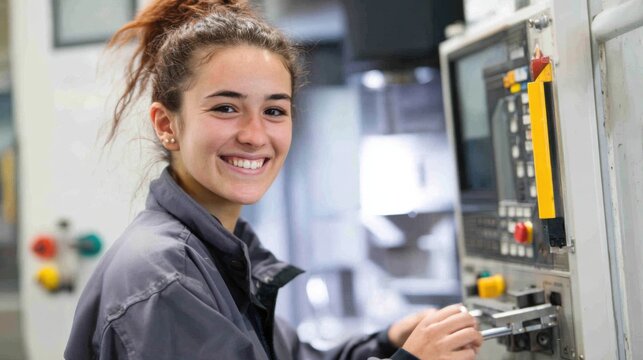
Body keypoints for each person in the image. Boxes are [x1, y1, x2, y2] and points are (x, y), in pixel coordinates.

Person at [64, 0, 482, 359]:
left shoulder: (218, 252)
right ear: (166, 124)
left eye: (274, 111)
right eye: (226, 108)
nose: (255, 135)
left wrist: (389, 342)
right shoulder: (165, 279)